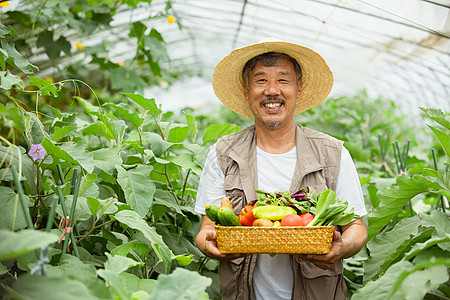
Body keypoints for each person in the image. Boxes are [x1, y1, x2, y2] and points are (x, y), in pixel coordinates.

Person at [194, 39, 368, 300]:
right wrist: (209, 245)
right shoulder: (223, 153)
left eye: (283, 80)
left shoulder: (333, 153)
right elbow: (207, 229)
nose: (271, 91)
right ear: (246, 89)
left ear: (298, 88)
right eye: (261, 80)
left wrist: (342, 247)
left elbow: (356, 227)